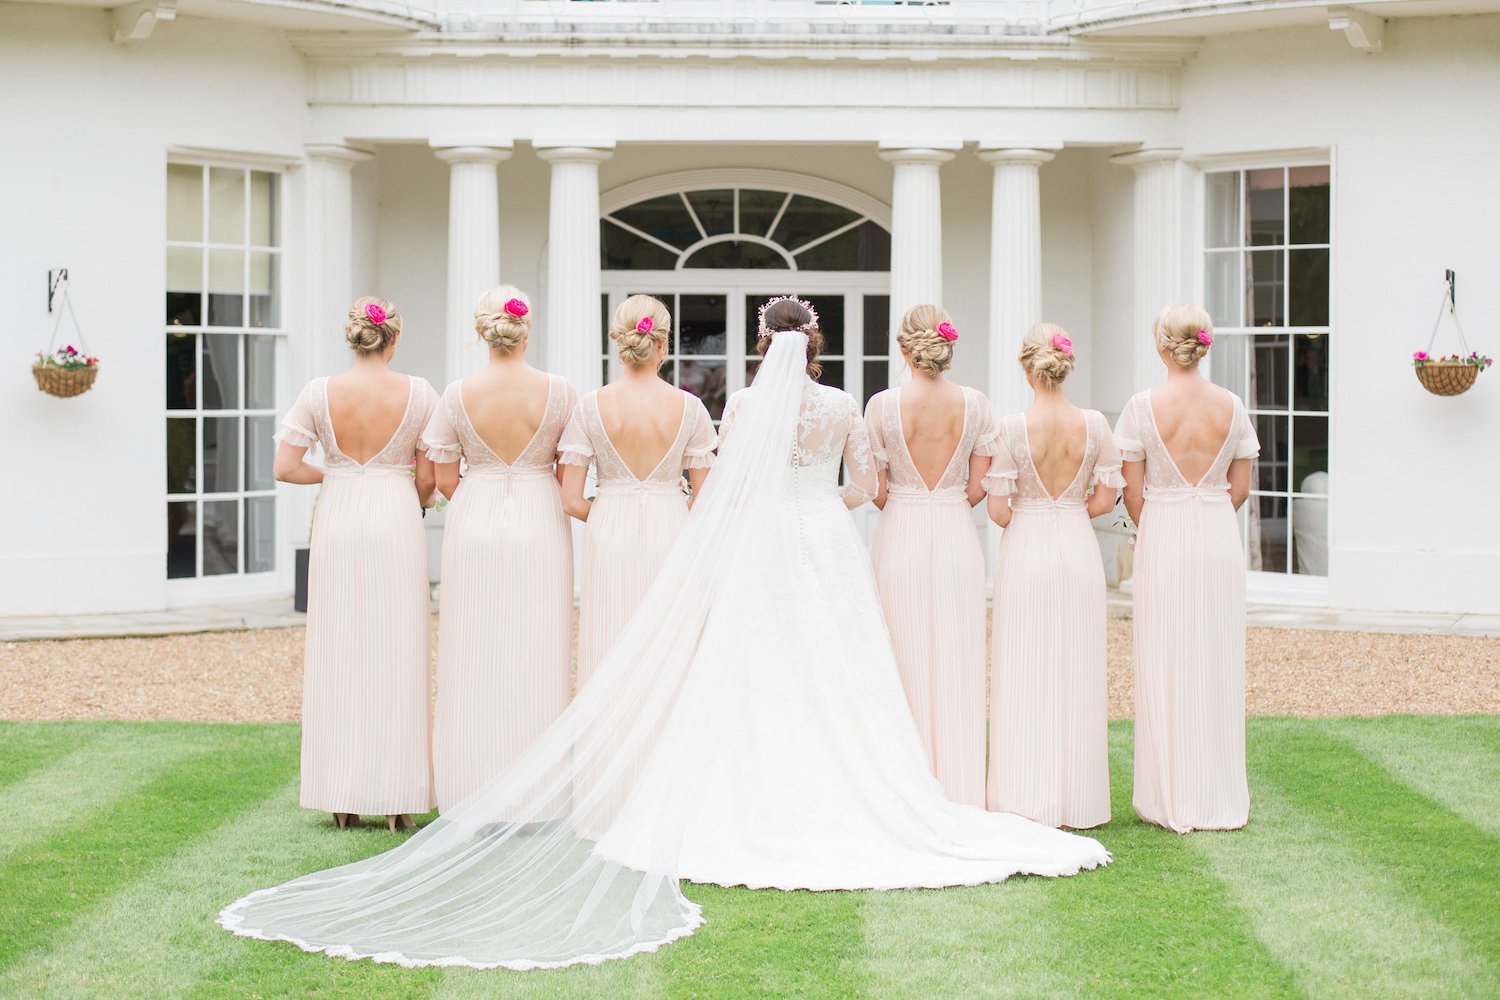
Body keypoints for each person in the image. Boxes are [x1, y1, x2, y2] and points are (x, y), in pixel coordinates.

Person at [221, 296, 1109, 972]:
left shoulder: (738, 406)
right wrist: (821, 505)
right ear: (815, 343)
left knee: (755, 667)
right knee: (842, 668)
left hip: (735, 540)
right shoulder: (842, 405)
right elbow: (857, 487)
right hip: (826, 544)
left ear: (761, 345)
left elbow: (728, 488)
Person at [271, 297, 438, 833]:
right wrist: (409, 494)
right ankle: (397, 796)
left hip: (339, 521)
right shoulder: (420, 393)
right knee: (397, 647)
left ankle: (341, 796)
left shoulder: (318, 392)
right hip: (395, 518)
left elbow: (285, 467)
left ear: (354, 337)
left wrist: (337, 475)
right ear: (393, 339)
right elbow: (429, 479)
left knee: (339, 647)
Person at [422, 286, 578, 812]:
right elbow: (568, 470)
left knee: (474, 648)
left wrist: (483, 501)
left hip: (475, 520)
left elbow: (444, 477)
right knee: (539, 646)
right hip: (540, 516)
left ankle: (472, 787)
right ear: (525, 330)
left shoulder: (456, 394)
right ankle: (538, 795)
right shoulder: (560, 391)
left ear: (481, 332)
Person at [1114, 304, 1259, 833]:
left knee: (1166, 656)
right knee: (1216, 659)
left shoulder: (1141, 407)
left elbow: (1133, 494)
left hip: (1165, 533)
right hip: (1219, 536)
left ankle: (1171, 794)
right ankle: (1216, 793)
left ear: (1162, 347)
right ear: (1204, 344)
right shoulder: (1232, 405)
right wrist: (1209, 513)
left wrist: (1160, 525)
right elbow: (1239, 489)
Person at [985, 323, 1119, 829]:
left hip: (1028, 549)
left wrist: (1035, 512)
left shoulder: (1011, 427)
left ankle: (1026, 794)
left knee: (1025, 666)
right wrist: (1069, 509)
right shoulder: (1095, 425)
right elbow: (1105, 500)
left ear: (1027, 369)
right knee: (1077, 666)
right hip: (1079, 548)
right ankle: (1078, 797)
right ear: (1066, 366)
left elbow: (999, 511)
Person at [863, 305, 994, 806]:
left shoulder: (882, 406)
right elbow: (979, 486)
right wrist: (947, 502)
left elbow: (875, 489)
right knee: (957, 657)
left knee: (900, 658)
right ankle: (958, 786)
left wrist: (906, 501)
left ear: (903, 348)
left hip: (900, 531)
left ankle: (903, 788)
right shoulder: (976, 404)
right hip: (957, 532)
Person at [560, 294, 715, 691]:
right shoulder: (691, 408)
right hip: (672, 527)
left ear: (619, 340)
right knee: (668, 639)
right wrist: (673, 510)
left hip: (609, 529)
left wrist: (608, 514)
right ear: (662, 344)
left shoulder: (589, 407)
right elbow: (705, 498)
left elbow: (571, 500)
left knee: (610, 633)